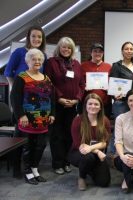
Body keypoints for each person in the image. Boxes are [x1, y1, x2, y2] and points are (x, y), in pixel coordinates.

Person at [10, 48, 55, 185]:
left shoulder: (46, 78)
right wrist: (21, 116)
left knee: (41, 145)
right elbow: (15, 98)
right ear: (27, 61)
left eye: (39, 59)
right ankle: (28, 171)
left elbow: (51, 98)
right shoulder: (21, 77)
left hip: (43, 120)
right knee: (28, 147)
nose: (37, 61)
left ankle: (35, 168)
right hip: (27, 120)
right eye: (34, 59)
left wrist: (52, 114)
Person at [45, 37, 85, 175]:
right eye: (63, 47)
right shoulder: (51, 62)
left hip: (72, 106)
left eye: (69, 47)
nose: (66, 49)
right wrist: (60, 98)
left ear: (72, 49)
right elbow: (49, 83)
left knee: (70, 134)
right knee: (56, 136)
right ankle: (57, 163)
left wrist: (77, 99)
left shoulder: (76, 64)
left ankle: (67, 161)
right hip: (56, 105)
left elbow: (82, 84)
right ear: (59, 48)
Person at [69, 93, 111, 191]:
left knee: (104, 182)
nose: (93, 106)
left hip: (96, 154)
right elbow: (78, 144)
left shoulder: (105, 121)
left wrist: (92, 148)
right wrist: (97, 151)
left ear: (100, 107)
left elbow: (105, 142)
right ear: (85, 106)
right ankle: (82, 177)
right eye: (90, 104)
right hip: (79, 152)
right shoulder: (78, 120)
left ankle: (89, 168)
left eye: (96, 104)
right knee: (88, 157)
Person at [107, 41, 133, 155]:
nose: (129, 51)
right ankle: (112, 154)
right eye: (126, 49)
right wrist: (114, 95)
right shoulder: (117, 65)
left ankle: (126, 152)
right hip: (120, 103)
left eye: (131, 49)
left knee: (131, 129)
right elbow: (111, 84)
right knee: (119, 129)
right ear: (122, 51)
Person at [4, 25, 46, 89]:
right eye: (33, 36)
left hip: (36, 93)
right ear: (29, 37)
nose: (36, 39)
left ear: (42, 39)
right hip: (20, 92)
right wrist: (13, 88)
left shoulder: (43, 55)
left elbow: (43, 75)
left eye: (39, 37)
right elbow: (8, 71)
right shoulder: (19, 52)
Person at [81, 43, 112, 116]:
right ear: (91, 53)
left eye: (100, 51)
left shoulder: (108, 66)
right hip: (87, 105)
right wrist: (83, 86)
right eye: (95, 51)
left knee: (103, 126)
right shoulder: (83, 66)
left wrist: (110, 88)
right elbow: (78, 83)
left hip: (104, 105)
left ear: (103, 53)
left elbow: (112, 84)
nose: (97, 53)